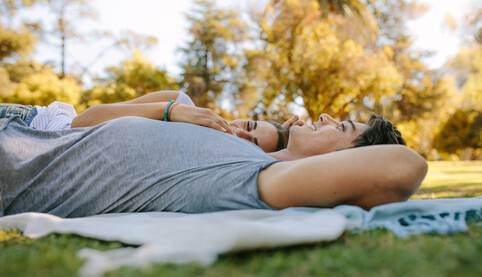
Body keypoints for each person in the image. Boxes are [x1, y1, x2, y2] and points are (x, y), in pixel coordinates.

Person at [0, 102, 427, 218]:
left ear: (347, 159)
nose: (324, 117)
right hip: (17, 126)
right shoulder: (239, 146)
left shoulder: (257, 178)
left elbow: (404, 166)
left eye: (343, 127)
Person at [1, 90, 293, 152]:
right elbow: (82, 122)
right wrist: (171, 110)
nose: (240, 133)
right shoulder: (180, 101)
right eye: (250, 126)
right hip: (31, 126)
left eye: (251, 142)